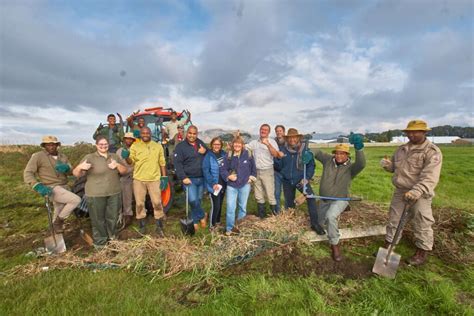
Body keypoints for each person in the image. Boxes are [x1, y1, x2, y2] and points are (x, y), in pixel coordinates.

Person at [380, 120, 442, 266]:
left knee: (422, 222)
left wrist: (416, 191)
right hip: (401, 191)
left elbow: (430, 177)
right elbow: (395, 167)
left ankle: (421, 252)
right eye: (409, 132)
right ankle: (388, 247)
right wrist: (387, 165)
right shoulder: (402, 149)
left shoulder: (432, 152)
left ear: (424, 132)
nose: (411, 135)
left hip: (420, 193)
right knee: (394, 219)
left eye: (415, 132)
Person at [309, 134, 366, 261]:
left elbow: (362, 164)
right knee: (319, 224)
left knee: (331, 217)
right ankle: (341, 210)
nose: (339, 156)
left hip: (340, 199)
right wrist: (309, 154)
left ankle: (335, 246)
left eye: (342, 153)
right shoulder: (328, 160)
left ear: (347, 155)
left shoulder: (351, 168)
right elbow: (317, 151)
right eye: (337, 153)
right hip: (324, 199)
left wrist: (359, 148)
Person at [73, 136, 128, 247]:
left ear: (108, 145)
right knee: (98, 219)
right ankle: (101, 242)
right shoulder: (89, 157)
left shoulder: (114, 156)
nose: (103, 146)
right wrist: (80, 167)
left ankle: (112, 238)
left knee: (112, 217)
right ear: (96, 145)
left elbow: (124, 171)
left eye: (105, 144)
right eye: (101, 144)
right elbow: (76, 174)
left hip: (114, 192)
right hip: (95, 194)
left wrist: (117, 165)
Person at [24, 136, 81, 233]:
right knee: (76, 200)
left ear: (57, 145)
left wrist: (67, 169)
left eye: (53, 144)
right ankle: (58, 222)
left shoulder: (62, 157)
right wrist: (36, 185)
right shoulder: (38, 156)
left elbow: (72, 171)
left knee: (59, 209)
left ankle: (55, 234)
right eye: (48, 145)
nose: (51, 147)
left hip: (64, 186)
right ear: (44, 146)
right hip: (51, 188)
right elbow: (28, 172)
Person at [275, 128, 325, 235]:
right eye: (290, 138)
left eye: (294, 137)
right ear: (287, 139)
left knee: (311, 198)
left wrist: (306, 177)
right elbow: (278, 167)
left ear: (298, 138)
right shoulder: (283, 150)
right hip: (287, 180)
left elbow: (311, 166)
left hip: (301, 180)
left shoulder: (305, 150)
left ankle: (315, 223)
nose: (292, 140)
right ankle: (290, 224)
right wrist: (277, 159)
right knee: (289, 203)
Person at [122, 127, 168, 236]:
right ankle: (142, 226)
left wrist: (164, 177)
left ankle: (159, 226)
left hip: (154, 179)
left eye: (147, 132)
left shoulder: (157, 146)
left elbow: (162, 162)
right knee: (139, 204)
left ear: (150, 134)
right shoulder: (135, 146)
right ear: (140, 135)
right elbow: (130, 162)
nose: (145, 134)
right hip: (139, 179)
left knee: (157, 203)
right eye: (143, 133)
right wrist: (126, 157)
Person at [220, 136, 257, 236]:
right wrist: (228, 176)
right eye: (235, 143)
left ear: (242, 145)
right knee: (231, 208)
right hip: (232, 186)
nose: (237, 145)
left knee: (242, 207)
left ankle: (240, 227)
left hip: (245, 185)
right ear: (232, 144)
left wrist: (251, 178)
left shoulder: (248, 154)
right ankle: (229, 228)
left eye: (239, 143)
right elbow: (222, 169)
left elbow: (254, 169)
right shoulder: (229, 155)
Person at [173, 125, 207, 231]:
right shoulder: (180, 147)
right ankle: (202, 215)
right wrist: (183, 177)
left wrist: (205, 151)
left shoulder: (200, 143)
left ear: (197, 134)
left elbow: (209, 154)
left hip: (201, 178)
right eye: (190, 133)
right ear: (187, 133)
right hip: (189, 179)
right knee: (193, 200)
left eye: (194, 133)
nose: (192, 135)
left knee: (199, 200)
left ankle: (195, 221)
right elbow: (177, 164)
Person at [246, 124, 283, 218]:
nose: (263, 131)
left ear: (269, 132)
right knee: (258, 194)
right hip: (256, 171)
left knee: (270, 193)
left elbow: (275, 154)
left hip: (267, 170)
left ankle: (274, 217)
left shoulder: (272, 142)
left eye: (266, 130)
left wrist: (268, 144)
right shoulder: (254, 142)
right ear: (259, 130)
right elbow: (244, 148)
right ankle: (262, 216)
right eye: (262, 129)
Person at [202, 137, 227, 230]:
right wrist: (213, 183)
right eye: (215, 144)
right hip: (214, 184)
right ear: (212, 145)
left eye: (218, 144)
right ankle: (212, 226)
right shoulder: (208, 156)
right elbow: (206, 171)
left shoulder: (224, 154)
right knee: (215, 205)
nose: (217, 146)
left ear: (221, 145)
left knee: (220, 204)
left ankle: (218, 222)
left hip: (223, 183)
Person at [116, 132, 136, 228]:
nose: (128, 140)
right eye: (127, 138)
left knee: (130, 197)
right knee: (121, 196)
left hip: (133, 175)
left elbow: (135, 164)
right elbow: (116, 163)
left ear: (133, 140)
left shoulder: (136, 150)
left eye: (130, 139)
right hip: (122, 176)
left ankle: (130, 214)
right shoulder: (119, 151)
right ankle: (122, 215)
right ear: (124, 140)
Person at [273, 124, 286, 213]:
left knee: (287, 194)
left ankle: (288, 211)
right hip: (276, 172)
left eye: (280, 131)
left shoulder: (288, 142)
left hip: (286, 172)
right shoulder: (273, 143)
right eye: (277, 131)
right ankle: (277, 212)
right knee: (276, 193)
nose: (278, 132)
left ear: (283, 131)